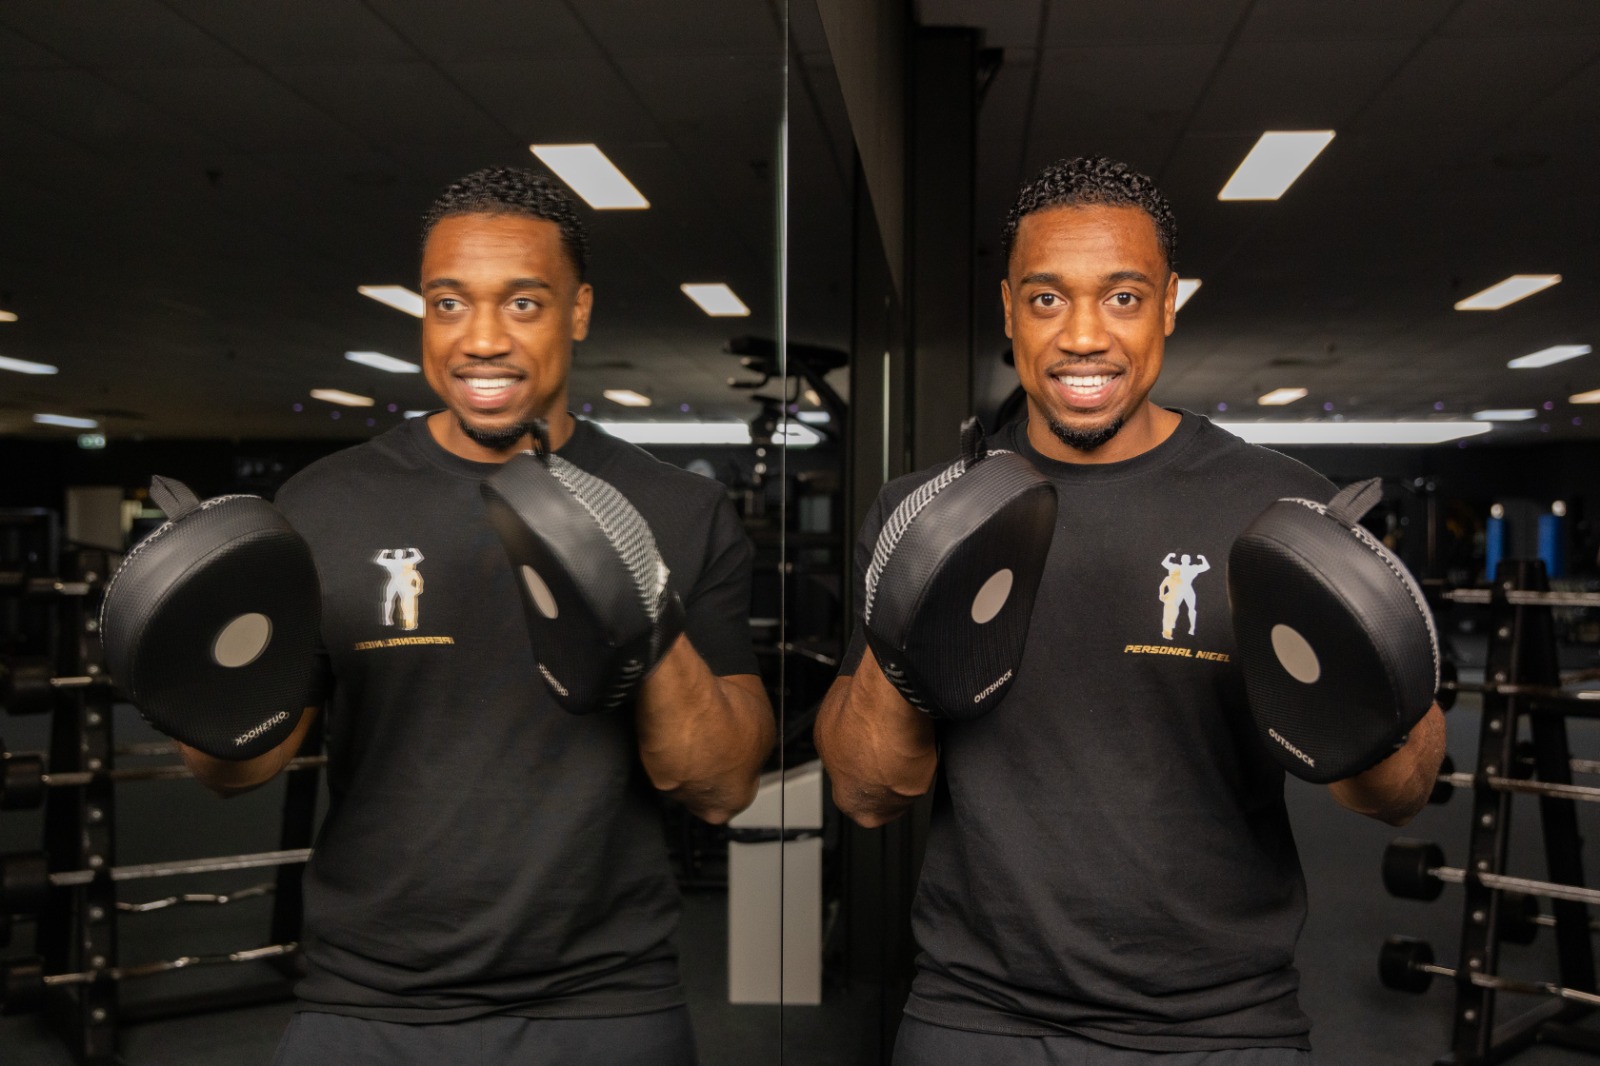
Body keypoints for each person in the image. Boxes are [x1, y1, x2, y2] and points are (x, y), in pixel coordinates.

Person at [815, 156, 1446, 1065]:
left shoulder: (1277, 506)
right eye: (1045, 299)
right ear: (1007, 310)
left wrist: (1366, 688)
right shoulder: (926, 509)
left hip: (1223, 1025)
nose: (1082, 336)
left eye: (1121, 297)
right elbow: (868, 792)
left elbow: (1400, 794)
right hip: (977, 1015)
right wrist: (923, 592)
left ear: (1169, 304)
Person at [177, 167, 775, 1065]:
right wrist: (188, 655)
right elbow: (237, 768)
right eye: (449, 304)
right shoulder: (324, 505)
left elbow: (721, 787)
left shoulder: (677, 510)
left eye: (523, 305)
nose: (481, 340)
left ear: (578, 312)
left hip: (602, 1003)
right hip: (366, 1001)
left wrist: (636, 597)